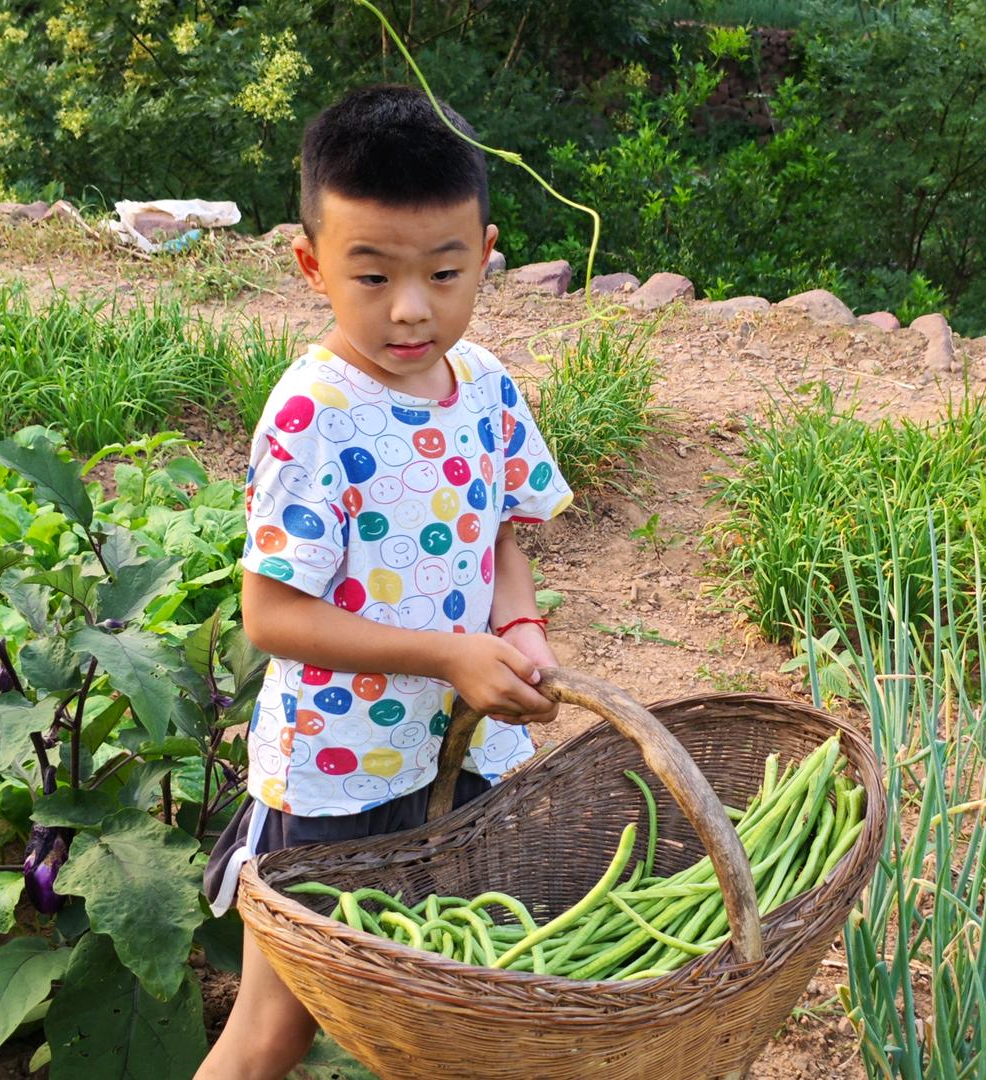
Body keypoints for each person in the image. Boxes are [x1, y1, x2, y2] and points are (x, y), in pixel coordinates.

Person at [194, 84, 573, 1079]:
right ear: (312, 264)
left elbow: (499, 536)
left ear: (487, 253)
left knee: (441, 1003)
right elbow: (271, 613)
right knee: (275, 1029)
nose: (413, 309)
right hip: (334, 773)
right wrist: (448, 652)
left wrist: (519, 624)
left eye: (445, 273)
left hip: (459, 749)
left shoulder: (485, 385)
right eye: (372, 276)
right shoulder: (314, 413)